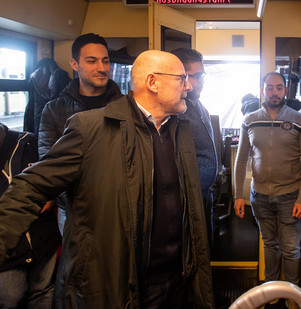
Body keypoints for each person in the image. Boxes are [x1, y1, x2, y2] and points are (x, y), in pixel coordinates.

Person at [0, 50, 214, 309]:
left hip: (176, 281)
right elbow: (30, 186)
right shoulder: (90, 129)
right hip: (121, 285)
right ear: (152, 82)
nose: (189, 86)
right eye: (181, 78)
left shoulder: (180, 131)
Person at [234, 72, 301, 307]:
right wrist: (238, 195)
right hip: (259, 196)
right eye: (270, 88)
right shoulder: (250, 120)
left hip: (290, 197)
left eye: (279, 88)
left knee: (290, 249)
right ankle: (270, 292)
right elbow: (241, 160)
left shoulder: (300, 120)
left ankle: (293, 296)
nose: (274, 92)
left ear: (285, 91)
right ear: (262, 90)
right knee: (270, 245)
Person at [38, 33, 122, 234]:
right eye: (91, 61)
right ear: (75, 64)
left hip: (117, 206)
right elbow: (49, 163)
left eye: (105, 61)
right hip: (72, 209)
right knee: (76, 265)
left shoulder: (126, 107)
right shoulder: (53, 109)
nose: (101, 68)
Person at [0, 123, 60, 309]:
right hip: (8, 243)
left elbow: (53, 177)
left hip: (41, 235)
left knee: (44, 292)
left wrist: (51, 195)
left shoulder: (27, 142)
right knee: (10, 298)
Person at [170, 48, 218, 249]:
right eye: (198, 76)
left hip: (203, 195)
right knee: (192, 251)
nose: (203, 80)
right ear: (183, 77)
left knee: (206, 248)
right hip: (185, 199)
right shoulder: (176, 110)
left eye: (202, 75)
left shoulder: (198, 106)